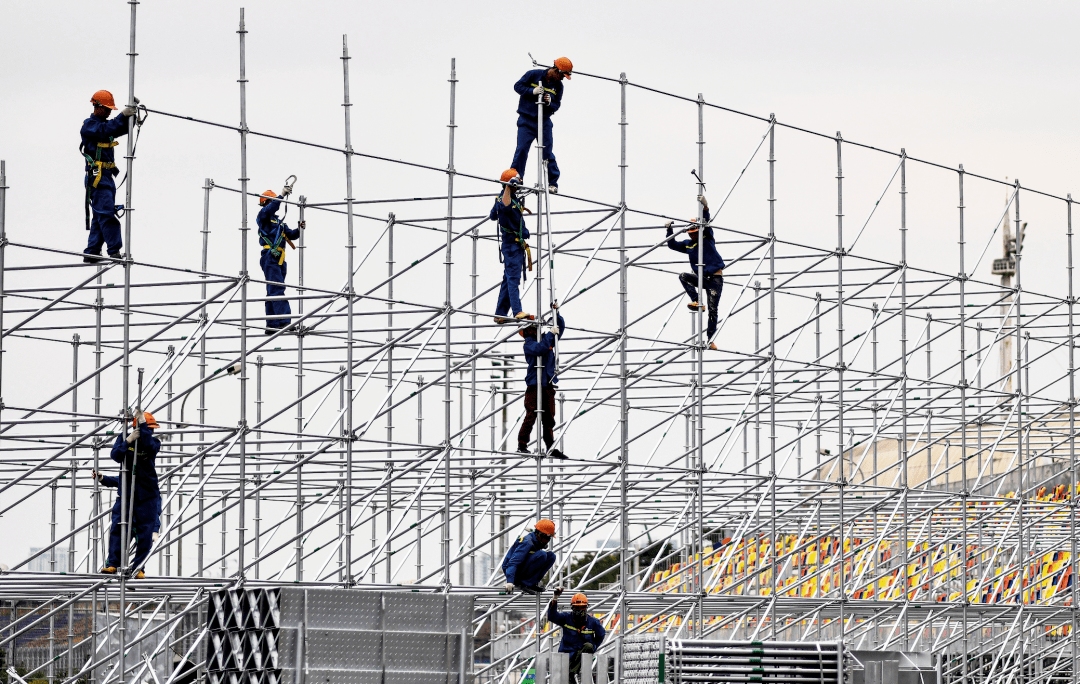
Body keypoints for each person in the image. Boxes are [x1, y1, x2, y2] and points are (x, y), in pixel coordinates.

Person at [96, 411, 161, 579]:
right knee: (118, 528)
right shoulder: (125, 438)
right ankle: (112, 564)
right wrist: (128, 440)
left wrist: (143, 427)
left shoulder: (154, 442)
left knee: (144, 534)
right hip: (126, 493)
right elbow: (116, 455)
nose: (151, 431)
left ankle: (139, 567)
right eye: (149, 428)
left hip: (147, 494)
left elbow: (149, 447)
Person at [81, 90, 139, 263]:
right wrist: (122, 115)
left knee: (100, 216)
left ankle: (92, 252)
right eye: (106, 109)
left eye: (110, 110)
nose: (108, 112)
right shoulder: (89, 125)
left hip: (106, 177)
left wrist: (131, 115)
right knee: (106, 215)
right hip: (97, 177)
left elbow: (120, 128)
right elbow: (106, 129)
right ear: (96, 106)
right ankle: (114, 250)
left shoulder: (106, 125)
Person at [666, 194, 724, 350]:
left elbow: (706, 221)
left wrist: (705, 206)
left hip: (715, 280)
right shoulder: (689, 244)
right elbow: (672, 245)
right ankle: (697, 299)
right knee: (683, 276)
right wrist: (669, 229)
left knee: (713, 310)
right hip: (702, 278)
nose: (692, 234)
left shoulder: (707, 236)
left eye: (694, 232)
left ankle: (710, 339)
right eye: (690, 233)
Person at [511, 58, 573, 194]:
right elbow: (517, 86)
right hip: (526, 120)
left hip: (544, 121)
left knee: (547, 152)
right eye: (562, 75)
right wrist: (531, 91)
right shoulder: (533, 75)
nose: (562, 78)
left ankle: (552, 182)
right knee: (521, 149)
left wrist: (550, 103)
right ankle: (516, 178)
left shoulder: (558, 87)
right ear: (556, 70)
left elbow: (557, 105)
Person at [518, 305, 567, 459]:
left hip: (547, 384)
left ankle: (550, 447)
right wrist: (551, 334)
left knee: (548, 418)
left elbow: (559, 327)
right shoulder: (529, 344)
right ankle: (522, 445)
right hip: (534, 385)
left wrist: (556, 314)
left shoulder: (547, 338)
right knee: (531, 414)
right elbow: (540, 348)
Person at [256, 186, 304, 334]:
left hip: (279, 259)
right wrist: (281, 196)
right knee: (277, 289)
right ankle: (284, 321)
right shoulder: (263, 216)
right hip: (270, 256)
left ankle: (272, 324)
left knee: (273, 290)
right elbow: (270, 208)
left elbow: (291, 235)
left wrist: (299, 229)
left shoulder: (279, 223)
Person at [491, 169, 534, 324]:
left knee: (507, 280)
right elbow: (503, 208)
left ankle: (500, 313)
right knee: (513, 279)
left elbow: (492, 215)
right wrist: (508, 187)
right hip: (512, 247)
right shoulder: (504, 200)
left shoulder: (509, 199)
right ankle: (517, 311)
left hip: (515, 246)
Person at [547, 589, 606, 683]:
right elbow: (552, 616)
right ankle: (571, 675)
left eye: (582, 607)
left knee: (589, 646)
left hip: (581, 657)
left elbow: (601, 635)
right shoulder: (566, 618)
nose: (579, 610)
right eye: (577, 607)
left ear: (586, 607)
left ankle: (572, 673)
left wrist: (593, 647)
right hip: (566, 656)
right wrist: (555, 598)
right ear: (572, 608)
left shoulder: (593, 622)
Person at [502, 519, 557, 594]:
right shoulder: (527, 542)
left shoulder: (536, 540)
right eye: (547, 538)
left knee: (551, 556)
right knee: (542, 555)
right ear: (540, 535)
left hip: (521, 569)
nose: (548, 541)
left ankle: (532, 583)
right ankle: (525, 583)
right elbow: (513, 563)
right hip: (514, 572)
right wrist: (510, 581)